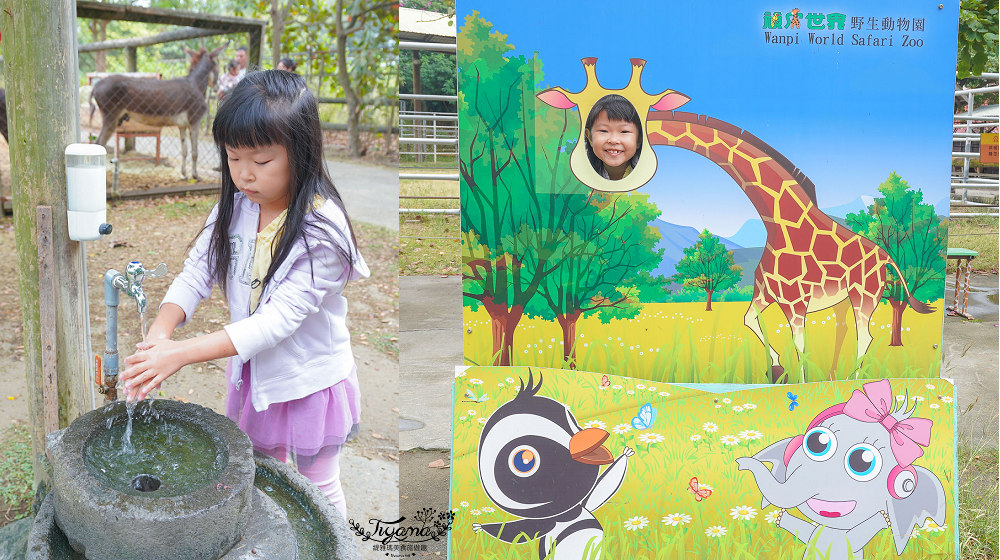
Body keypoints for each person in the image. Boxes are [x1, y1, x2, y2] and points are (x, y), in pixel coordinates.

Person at [120, 70, 369, 519]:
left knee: (317, 487)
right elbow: (196, 270)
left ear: (302, 152)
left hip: (311, 383)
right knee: (258, 472)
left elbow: (275, 322)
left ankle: (336, 545)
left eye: (261, 160)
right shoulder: (235, 207)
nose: (244, 174)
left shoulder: (323, 232)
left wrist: (181, 354)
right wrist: (161, 334)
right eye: (233, 158)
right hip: (256, 378)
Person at [583, 94, 643, 181]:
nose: (613, 140)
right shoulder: (580, 171)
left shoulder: (648, 171)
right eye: (603, 131)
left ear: (639, 140)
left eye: (624, 131)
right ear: (590, 137)